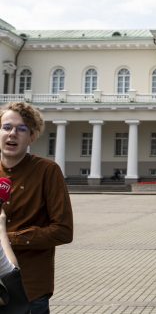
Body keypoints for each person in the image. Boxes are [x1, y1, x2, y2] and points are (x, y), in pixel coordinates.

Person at [0, 102, 73, 314]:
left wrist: (8, 239)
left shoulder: (47, 171)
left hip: (30, 291)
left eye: (21, 129)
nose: (12, 134)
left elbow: (63, 231)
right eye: (6, 127)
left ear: (32, 136)